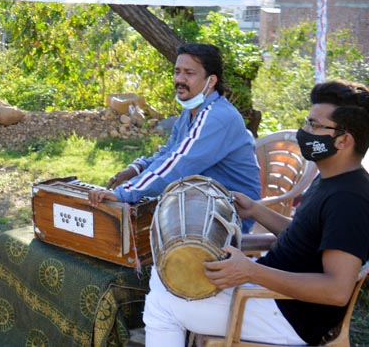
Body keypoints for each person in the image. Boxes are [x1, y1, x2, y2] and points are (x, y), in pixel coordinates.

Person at [143, 80, 369, 346]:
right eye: (307, 122)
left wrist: (250, 272)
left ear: (343, 140)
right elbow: (307, 238)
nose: (305, 131)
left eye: (315, 126)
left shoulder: (349, 200)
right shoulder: (331, 178)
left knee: (162, 305)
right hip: (273, 294)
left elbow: (336, 290)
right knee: (163, 274)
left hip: (289, 316)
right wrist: (255, 210)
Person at [89, 43, 261, 231]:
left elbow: (179, 166)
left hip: (233, 215)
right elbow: (170, 154)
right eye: (177, 71)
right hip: (203, 204)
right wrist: (137, 168)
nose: (179, 79)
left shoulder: (217, 117)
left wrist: (124, 193)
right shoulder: (190, 113)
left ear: (211, 81)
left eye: (189, 73)